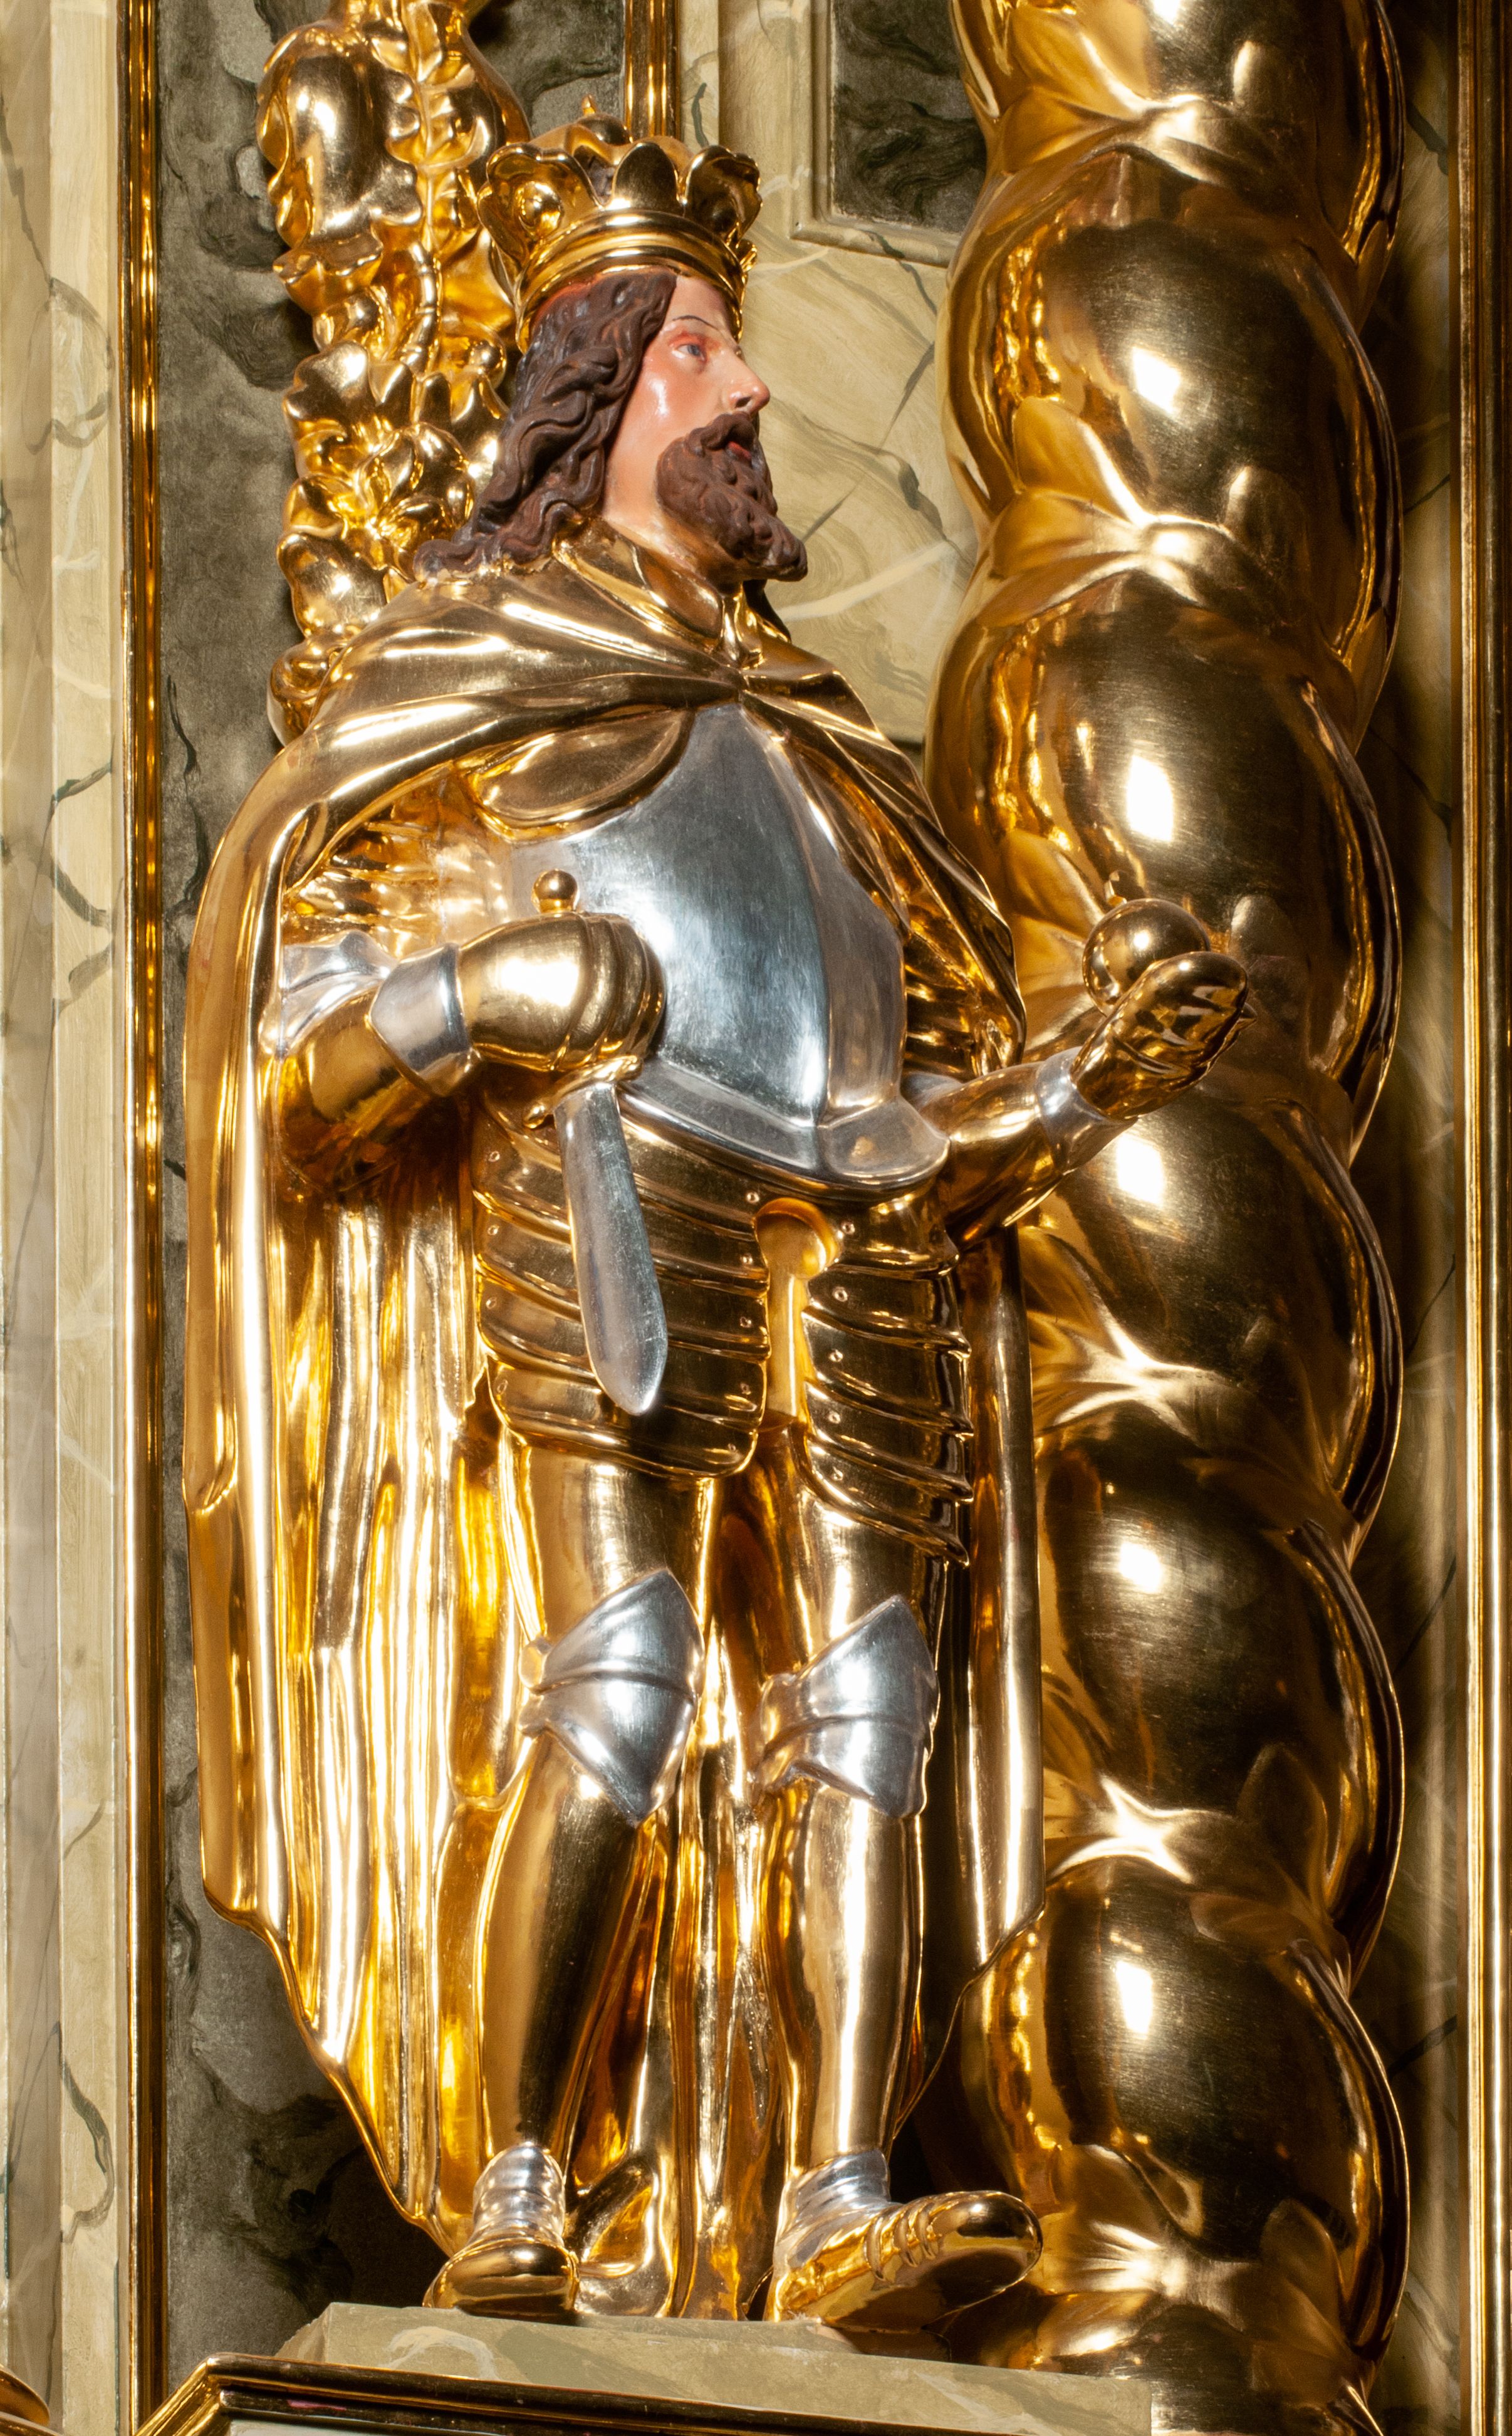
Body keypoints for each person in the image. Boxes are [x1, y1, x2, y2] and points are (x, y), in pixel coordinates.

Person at [184, 113, 1245, 2330]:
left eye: (735, 346)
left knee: (874, 1702)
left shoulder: (819, 743)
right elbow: (287, 1063)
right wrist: (480, 990)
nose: (749, 387)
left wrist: (1081, 1077)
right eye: (694, 349)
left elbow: (911, 1131)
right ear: (590, 394)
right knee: (624, 1670)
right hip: (609, 1187)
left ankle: (837, 2191)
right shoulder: (467, 685)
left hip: (856, 1243)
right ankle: (512, 2181)